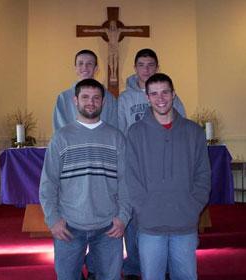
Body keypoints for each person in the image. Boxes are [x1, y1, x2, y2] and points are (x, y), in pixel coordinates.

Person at [40, 79, 131, 280]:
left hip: (109, 227)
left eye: (96, 97)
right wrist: (53, 220)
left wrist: (123, 217)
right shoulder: (61, 138)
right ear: (75, 100)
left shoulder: (116, 137)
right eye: (85, 97)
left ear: (103, 102)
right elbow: (48, 183)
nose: (91, 102)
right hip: (69, 226)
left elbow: (127, 183)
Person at [126, 73, 211, 280]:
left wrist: (193, 206)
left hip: (185, 222)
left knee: (186, 276)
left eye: (165, 92)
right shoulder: (135, 132)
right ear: (147, 97)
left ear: (173, 94)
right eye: (154, 94)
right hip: (150, 224)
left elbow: (203, 175)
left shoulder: (193, 132)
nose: (160, 98)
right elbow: (131, 177)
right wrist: (143, 209)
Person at [118, 48, 186, 279]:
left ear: (157, 67)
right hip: (136, 165)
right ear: (135, 68)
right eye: (141, 65)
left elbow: (182, 131)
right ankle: (134, 266)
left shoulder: (170, 96)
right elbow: (120, 131)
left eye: (150, 65)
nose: (146, 69)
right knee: (134, 218)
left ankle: (164, 266)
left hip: (165, 167)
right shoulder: (125, 98)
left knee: (163, 219)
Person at [53, 49, 117, 132]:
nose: (85, 67)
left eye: (89, 63)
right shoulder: (63, 98)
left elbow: (113, 128)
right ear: (75, 68)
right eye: (80, 63)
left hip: (102, 143)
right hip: (72, 144)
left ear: (96, 68)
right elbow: (60, 131)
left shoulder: (109, 97)